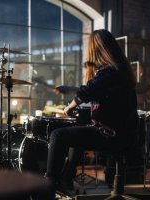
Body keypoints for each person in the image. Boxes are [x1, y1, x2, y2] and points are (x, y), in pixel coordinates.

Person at [45, 29, 138, 194]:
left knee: (57, 135)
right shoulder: (119, 71)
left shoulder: (110, 72)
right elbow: (95, 89)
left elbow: (87, 92)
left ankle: (47, 188)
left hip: (112, 135)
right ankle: (66, 177)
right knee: (78, 127)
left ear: (97, 49)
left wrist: (68, 107)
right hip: (124, 134)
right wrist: (72, 90)